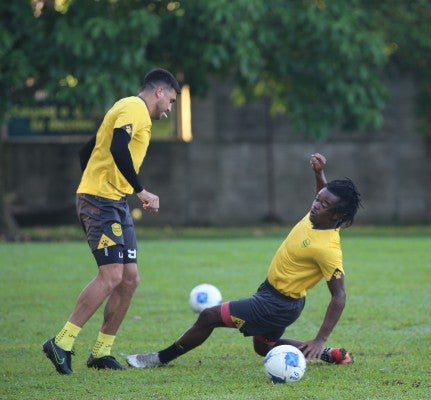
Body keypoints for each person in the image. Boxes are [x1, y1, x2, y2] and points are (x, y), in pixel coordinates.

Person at [126, 153, 361, 368]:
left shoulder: (328, 248)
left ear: (337, 216)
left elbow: (339, 296)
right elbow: (323, 195)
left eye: (323, 204)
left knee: (209, 316)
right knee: (264, 348)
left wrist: (320, 338)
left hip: (277, 305)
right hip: (273, 295)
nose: (315, 204)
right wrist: (319, 174)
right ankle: (328, 354)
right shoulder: (317, 217)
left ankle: (159, 358)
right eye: (317, 199)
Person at [42, 68, 181, 374]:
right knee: (111, 276)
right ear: (159, 92)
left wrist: (104, 183)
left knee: (130, 279)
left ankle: (101, 352)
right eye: (171, 101)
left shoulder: (128, 110)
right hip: (101, 203)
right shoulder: (134, 107)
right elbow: (118, 146)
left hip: (114, 201)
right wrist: (139, 191)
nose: (170, 109)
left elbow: (86, 150)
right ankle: (62, 342)